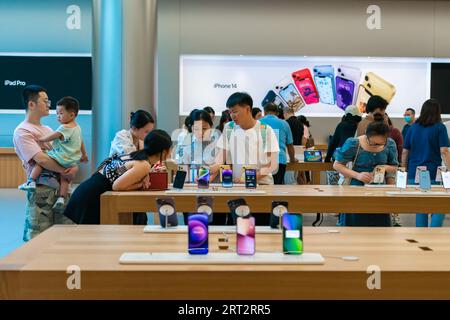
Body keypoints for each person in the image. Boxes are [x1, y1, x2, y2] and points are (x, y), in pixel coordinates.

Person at [64, 130, 173, 224]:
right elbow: (117, 186)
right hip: (92, 196)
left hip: (88, 190)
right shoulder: (144, 164)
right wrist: (140, 185)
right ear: (164, 151)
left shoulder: (136, 156)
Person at [13, 85, 76, 241]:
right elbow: (41, 159)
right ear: (31, 104)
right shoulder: (22, 131)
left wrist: (73, 167)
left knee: (66, 237)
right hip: (42, 193)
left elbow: (64, 153)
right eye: (45, 101)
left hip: (63, 190)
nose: (49, 104)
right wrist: (65, 170)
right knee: (38, 239)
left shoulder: (48, 128)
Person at [210, 92, 279, 224]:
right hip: (237, 187)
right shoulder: (229, 128)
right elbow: (220, 159)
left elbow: (272, 165)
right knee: (236, 230)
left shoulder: (265, 130)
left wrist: (251, 177)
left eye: (235, 111)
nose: (232, 116)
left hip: (262, 187)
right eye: (230, 112)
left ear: (247, 109)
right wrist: (210, 170)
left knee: (261, 230)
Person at [18, 97, 88, 210]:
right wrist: (82, 156)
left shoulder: (62, 127)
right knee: (64, 178)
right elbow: (81, 142)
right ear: (31, 104)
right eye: (56, 113)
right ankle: (62, 197)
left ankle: (31, 181)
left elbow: (43, 158)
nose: (57, 116)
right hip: (68, 162)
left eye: (60, 113)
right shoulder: (77, 127)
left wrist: (42, 139)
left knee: (40, 163)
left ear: (71, 115)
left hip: (61, 157)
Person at [333, 121, 399, 226]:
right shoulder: (354, 143)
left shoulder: (390, 144)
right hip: (355, 191)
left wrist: (385, 167)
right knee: (354, 224)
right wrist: (358, 175)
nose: (375, 146)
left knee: (380, 227)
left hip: (379, 192)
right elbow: (337, 165)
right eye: (372, 143)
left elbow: (394, 167)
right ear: (366, 136)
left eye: (380, 144)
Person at [402, 99, 450, 227]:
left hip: (414, 172)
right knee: (440, 205)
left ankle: (421, 235)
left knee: (421, 207)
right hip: (433, 172)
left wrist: (403, 170)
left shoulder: (412, 128)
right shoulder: (440, 128)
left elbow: (405, 151)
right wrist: (449, 171)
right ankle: (434, 232)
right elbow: (444, 151)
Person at [109, 109, 155, 225]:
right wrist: (145, 172)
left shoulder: (141, 141)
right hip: (115, 180)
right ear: (134, 128)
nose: (149, 135)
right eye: (146, 131)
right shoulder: (122, 136)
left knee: (140, 217)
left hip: (130, 183)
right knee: (125, 220)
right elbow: (134, 159)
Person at [260, 102, 297, 184]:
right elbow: (290, 145)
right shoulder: (284, 123)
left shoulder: (258, 122)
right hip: (279, 159)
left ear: (264, 112)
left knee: (262, 185)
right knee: (277, 186)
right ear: (277, 113)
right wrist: (292, 159)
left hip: (262, 160)